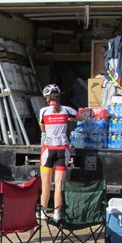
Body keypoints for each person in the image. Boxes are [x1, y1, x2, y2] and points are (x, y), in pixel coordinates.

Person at [39, 84, 87, 221]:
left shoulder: (43, 111)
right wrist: (71, 119)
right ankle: (57, 213)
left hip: (48, 149)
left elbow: (42, 129)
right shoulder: (67, 110)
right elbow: (83, 118)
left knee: (46, 182)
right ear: (59, 96)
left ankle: (43, 212)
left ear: (47, 98)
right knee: (59, 183)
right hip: (63, 149)